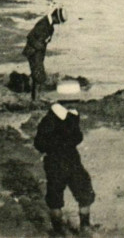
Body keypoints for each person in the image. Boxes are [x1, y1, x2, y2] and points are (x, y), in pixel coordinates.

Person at [34, 93, 95, 237]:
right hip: (56, 161)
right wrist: (59, 144)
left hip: (72, 160)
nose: (79, 103)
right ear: (67, 101)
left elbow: (77, 137)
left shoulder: (72, 115)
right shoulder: (49, 120)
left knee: (84, 190)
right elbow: (39, 143)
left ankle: (84, 227)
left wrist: (69, 141)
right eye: (76, 100)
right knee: (56, 196)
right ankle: (58, 230)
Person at [23, 6, 67, 101]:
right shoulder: (43, 23)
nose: (58, 24)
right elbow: (30, 37)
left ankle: (35, 98)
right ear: (55, 17)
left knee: (37, 76)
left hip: (38, 53)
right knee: (40, 76)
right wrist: (39, 48)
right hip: (33, 52)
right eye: (58, 21)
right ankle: (37, 98)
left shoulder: (50, 25)